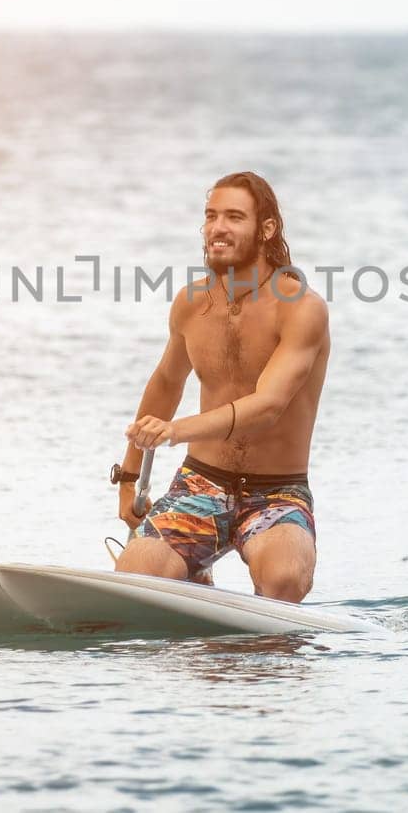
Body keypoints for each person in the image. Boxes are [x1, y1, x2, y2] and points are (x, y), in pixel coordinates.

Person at [112, 171, 330, 603]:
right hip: (200, 485)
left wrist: (176, 431)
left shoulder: (301, 308)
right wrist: (129, 478)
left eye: (234, 217)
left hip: (277, 491)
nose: (218, 228)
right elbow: (165, 383)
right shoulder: (192, 303)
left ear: (265, 229)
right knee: (135, 582)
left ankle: (209, 581)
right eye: (211, 216)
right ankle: (192, 576)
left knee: (284, 580)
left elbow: (268, 405)